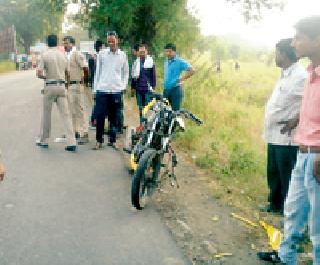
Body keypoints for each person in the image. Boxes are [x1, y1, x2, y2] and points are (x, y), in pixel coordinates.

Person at [258, 16, 320, 264]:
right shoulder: (311, 73)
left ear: (317, 40)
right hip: (302, 153)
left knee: (317, 226)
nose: (294, 43)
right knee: (293, 212)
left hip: (317, 157)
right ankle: (286, 257)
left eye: (299, 38)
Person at [262, 38, 307, 214]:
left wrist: (296, 119)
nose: (275, 57)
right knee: (273, 172)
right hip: (273, 134)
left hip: (287, 137)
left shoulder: (301, 76)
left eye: (277, 53)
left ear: (284, 54)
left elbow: (312, 102)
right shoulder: (285, 73)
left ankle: (289, 211)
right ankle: (274, 204)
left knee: (286, 175)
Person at [36, 34, 77, 152]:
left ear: (47, 43)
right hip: (61, 86)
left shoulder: (45, 55)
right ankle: (71, 141)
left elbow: (39, 73)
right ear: (57, 42)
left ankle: (44, 140)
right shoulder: (63, 55)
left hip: (50, 85)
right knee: (66, 115)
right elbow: (68, 73)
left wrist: (47, 77)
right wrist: (66, 84)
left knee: (47, 114)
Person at [93, 31, 129, 150]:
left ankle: (112, 140)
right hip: (102, 90)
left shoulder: (123, 55)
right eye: (109, 41)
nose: (111, 43)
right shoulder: (102, 54)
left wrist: (123, 86)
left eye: (113, 40)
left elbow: (126, 72)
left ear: (117, 40)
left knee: (114, 117)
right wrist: (95, 89)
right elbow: (97, 72)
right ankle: (99, 140)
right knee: (100, 116)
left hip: (116, 91)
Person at [63, 36, 89, 145]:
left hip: (77, 85)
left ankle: (84, 133)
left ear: (72, 44)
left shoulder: (77, 54)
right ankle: (75, 131)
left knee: (80, 110)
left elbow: (86, 68)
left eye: (66, 43)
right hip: (70, 86)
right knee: (71, 110)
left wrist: (85, 81)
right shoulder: (67, 56)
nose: (65, 45)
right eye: (64, 43)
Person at [163, 43, 195, 111]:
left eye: (170, 51)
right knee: (164, 112)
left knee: (175, 113)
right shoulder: (166, 61)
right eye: (166, 51)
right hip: (166, 90)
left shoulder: (179, 61)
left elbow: (192, 70)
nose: (168, 53)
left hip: (175, 91)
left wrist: (181, 79)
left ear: (174, 52)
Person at [131, 44, 156, 124]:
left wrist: (153, 88)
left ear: (146, 52)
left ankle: (148, 125)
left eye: (143, 52)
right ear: (138, 52)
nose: (142, 53)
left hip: (147, 90)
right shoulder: (136, 62)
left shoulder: (151, 62)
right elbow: (133, 77)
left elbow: (153, 77)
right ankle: (142, 124)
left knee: (147, 108)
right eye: (140, 52)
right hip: (139, 89)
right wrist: (133, 88)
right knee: (140, 108)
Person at [89, 39, 104, 128]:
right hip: (98, 84)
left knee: (98, 103)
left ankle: (95, 120)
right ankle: (94, 120)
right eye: (103, 46)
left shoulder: (94, 57)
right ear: (100, 47)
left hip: (96, 83)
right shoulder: (97, 57)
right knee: (98, 104)